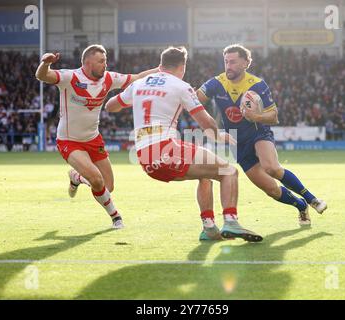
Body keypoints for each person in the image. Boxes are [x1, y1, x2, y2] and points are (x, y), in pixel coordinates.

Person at [105, 46, 262, 242]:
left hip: (145, 159)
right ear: (183, 66)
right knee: (229, 171)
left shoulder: (139, 84)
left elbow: (111, 106)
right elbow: (206, 122)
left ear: (160, 65)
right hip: (166, 149)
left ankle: (209, 228)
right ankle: (231, 221)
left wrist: (136, 99)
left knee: (206, 175)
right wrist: (219, 136)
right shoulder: (181, 86)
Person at [196, 44, 327, 226]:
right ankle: (300, 205)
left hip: (258, 133)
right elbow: (195, 100)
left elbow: (273, 117)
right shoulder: (216, 83)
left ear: (245, 63)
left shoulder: (257, 84)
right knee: (271, 189)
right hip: (236, 142)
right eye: (226, 61)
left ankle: (312, 199)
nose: (228, 66)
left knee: (272, 167)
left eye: (233, 62)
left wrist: (255, 116)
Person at [35, 44, 159, 229]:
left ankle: (76, 177)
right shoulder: (71, 77)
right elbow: (42, 76)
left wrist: (161, 69)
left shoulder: (109, 78)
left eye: (106, 61)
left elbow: (136, 78)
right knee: (97, 180)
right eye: (101, 61)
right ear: (87, 62)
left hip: (93, 139)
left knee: (107, 186)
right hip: (69, 141)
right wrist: (45, 63)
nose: (105, 65)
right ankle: (116, 218)